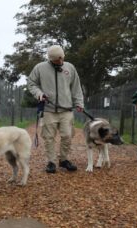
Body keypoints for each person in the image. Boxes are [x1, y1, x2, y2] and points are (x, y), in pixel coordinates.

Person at [27, 45, 84, 173]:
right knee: (49, 137)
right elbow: (31, 83)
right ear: (50, 59)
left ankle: (64, 159)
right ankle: (51, 162)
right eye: (57, 60)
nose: (60, 62)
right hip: (48, 109)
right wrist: (39, 93)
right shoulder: (40, 68)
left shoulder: (70, 67)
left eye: (61, 58)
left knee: (67, 135)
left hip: (66, 109)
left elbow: (76, 87)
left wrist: (79, 102)